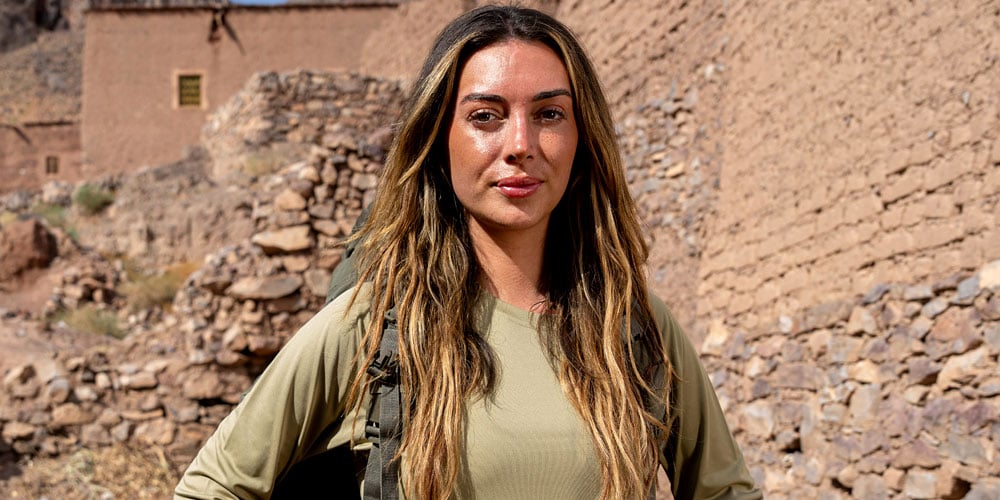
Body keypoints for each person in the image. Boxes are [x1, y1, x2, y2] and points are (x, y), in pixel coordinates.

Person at [175, 5, 761, 500]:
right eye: (486, 117)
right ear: (439, 140)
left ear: (582, 139)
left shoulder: (633, 327)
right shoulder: (378, 325)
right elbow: (213, 486)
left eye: (549, 114)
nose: (520, 145)